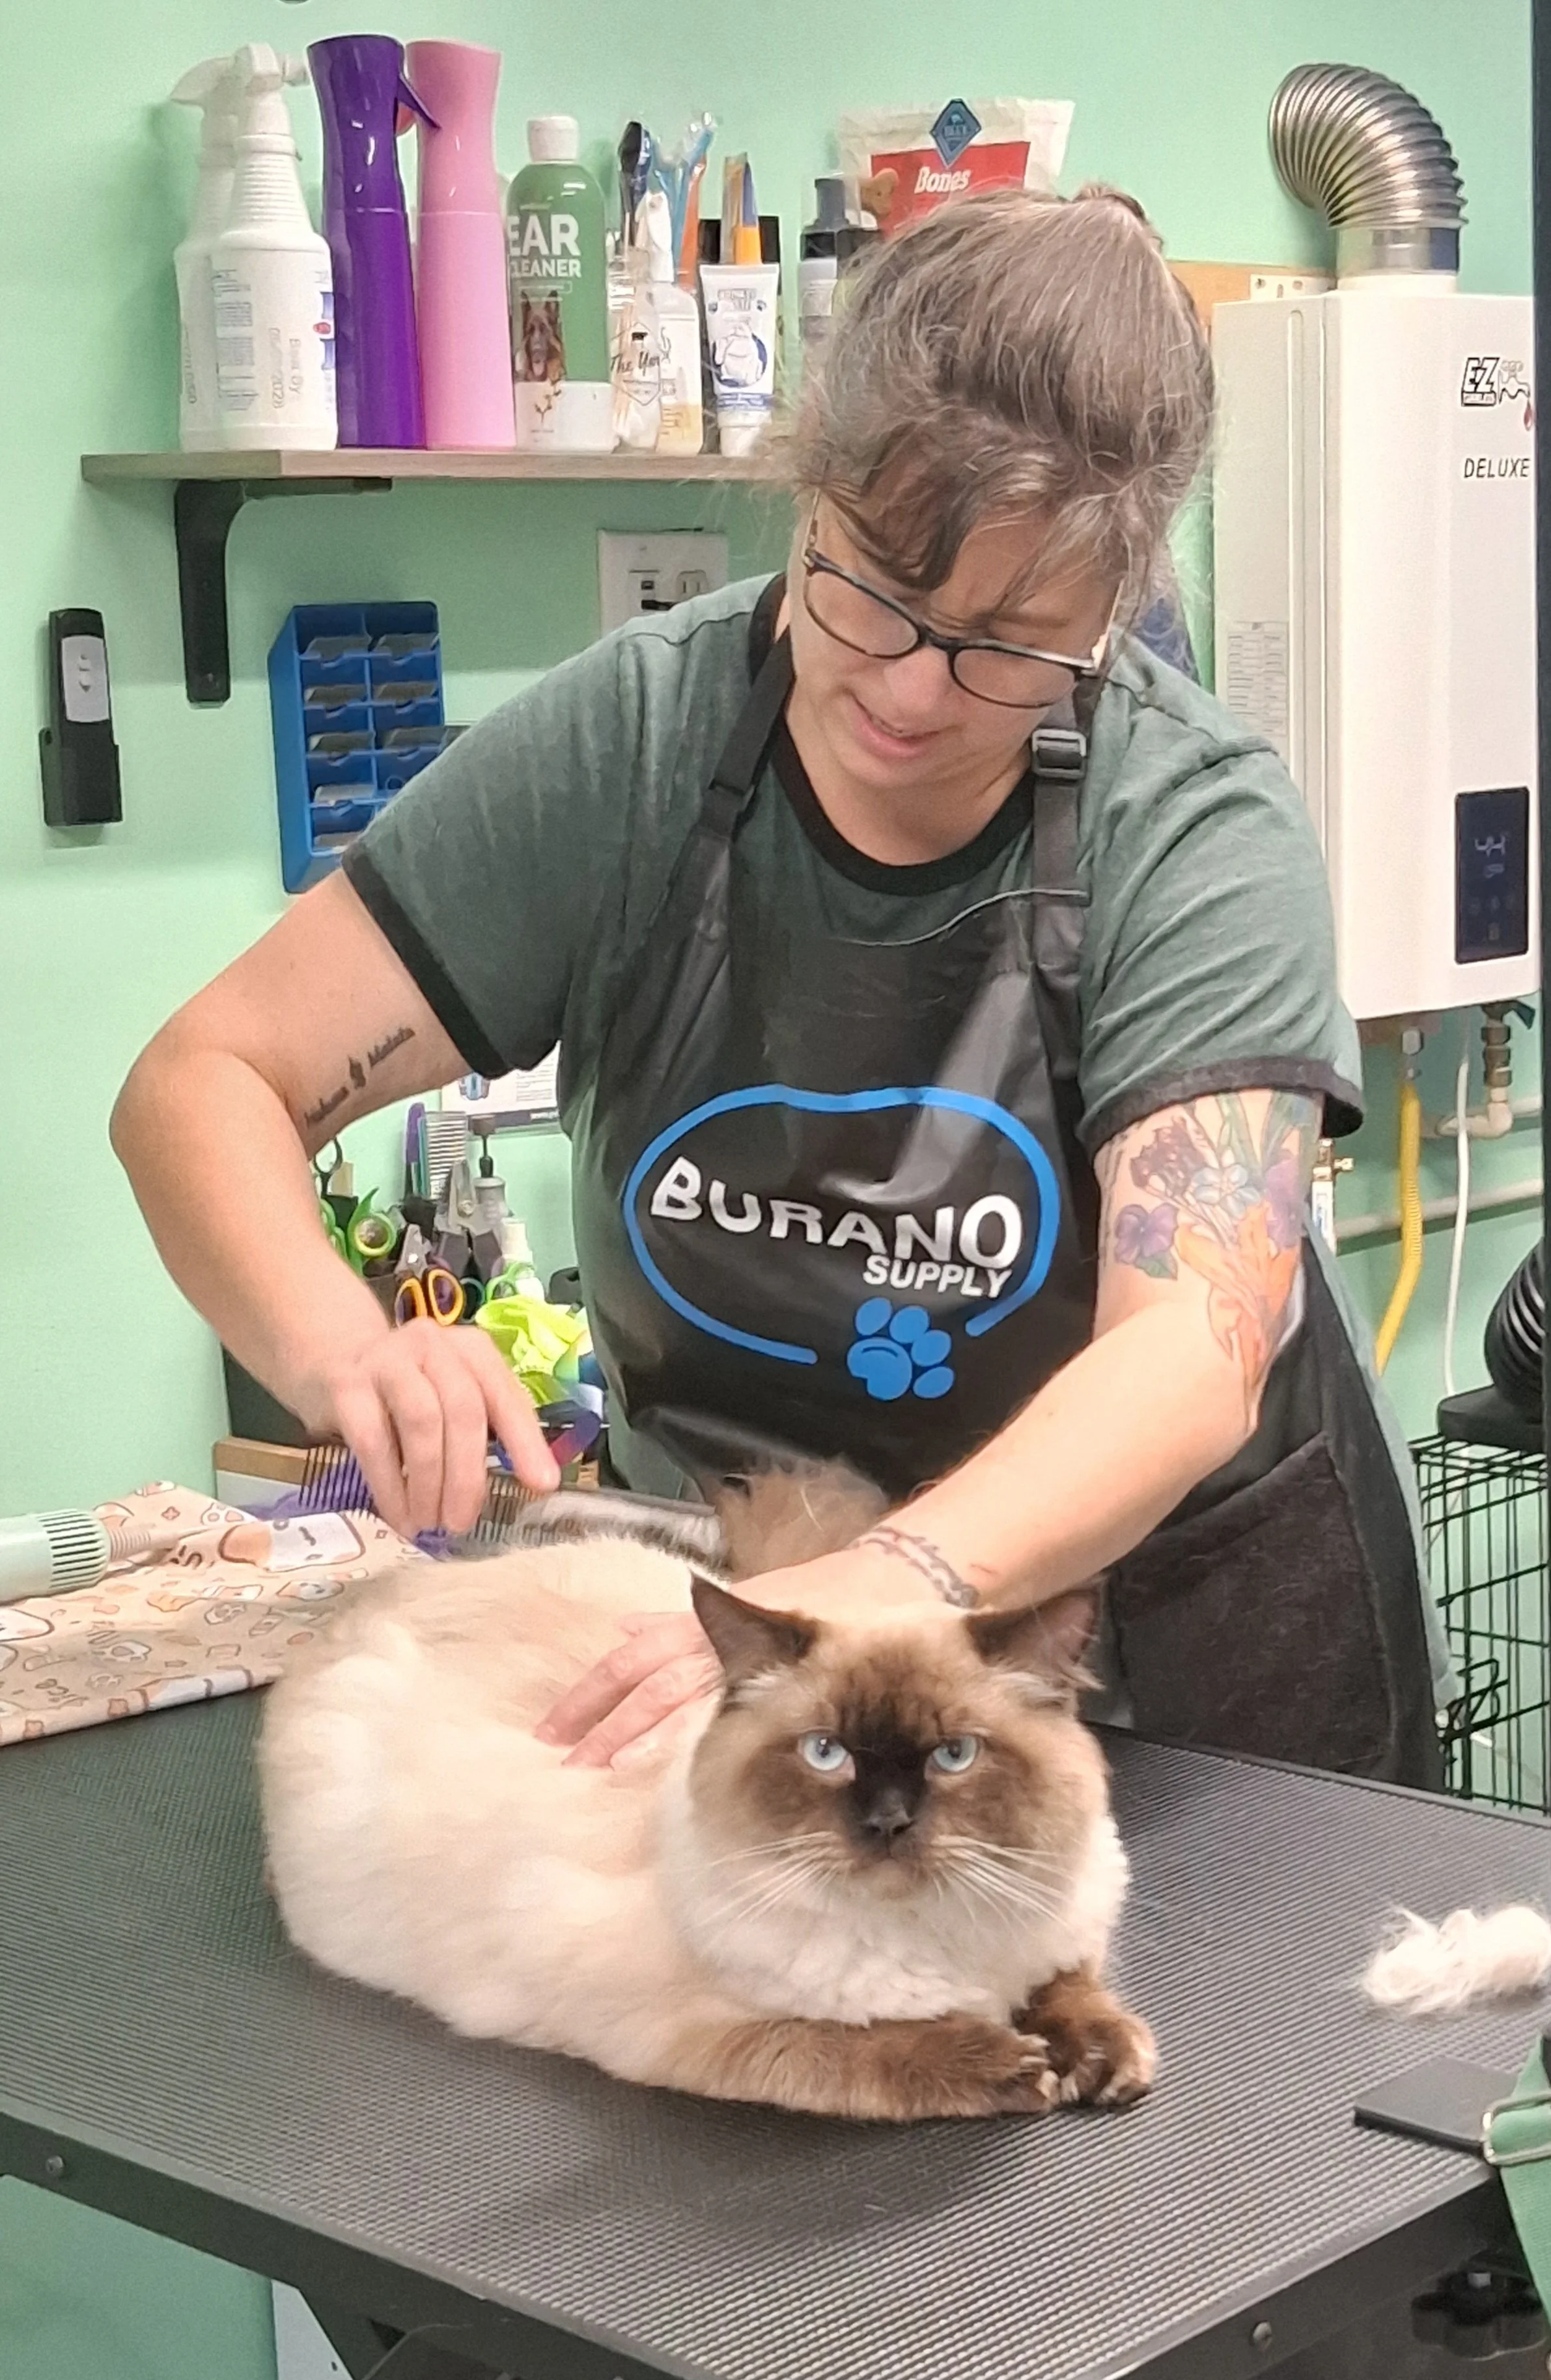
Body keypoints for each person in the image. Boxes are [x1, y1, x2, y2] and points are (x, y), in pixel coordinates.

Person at [113, 188, 1449, 1792]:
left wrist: (883, 1595)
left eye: (1010, 644)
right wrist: (348, 1348)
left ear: (1115, 606)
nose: (907, 687)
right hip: (742, 1660)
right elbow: (204, 1082)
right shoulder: (632, 751)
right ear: (805, 490)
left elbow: (1193, 1349)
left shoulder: (1199, 827)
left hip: (1175, 1697)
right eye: (872, 587)